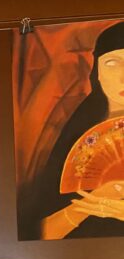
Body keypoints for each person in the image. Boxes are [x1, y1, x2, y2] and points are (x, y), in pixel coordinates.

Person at [24, 21, 124, 239]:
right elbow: (41, 235)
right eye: (112, 63)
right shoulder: (76, 131)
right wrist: (90, 204)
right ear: (97, 71)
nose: (123, 77)